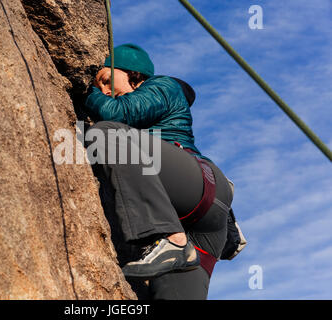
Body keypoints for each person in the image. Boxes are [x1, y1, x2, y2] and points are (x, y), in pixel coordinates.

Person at [83, 43, 233, 300]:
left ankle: (171, 241)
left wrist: (87, 94)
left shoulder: (163, 86)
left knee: (106, 133)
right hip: (201, 220)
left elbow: (116, 113)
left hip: (199, 185)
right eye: (99, 87)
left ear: (135, 75)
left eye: (107, 81)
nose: (104, 90)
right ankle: (176, 246)